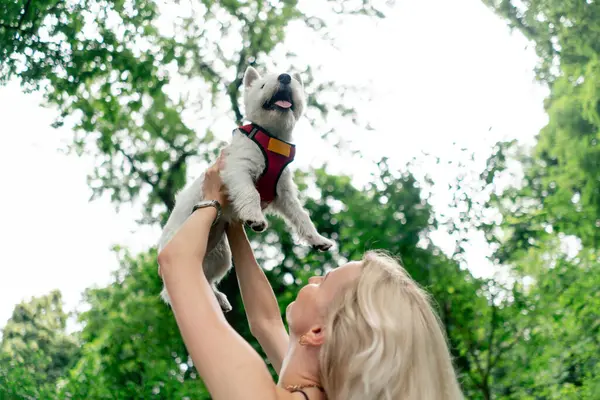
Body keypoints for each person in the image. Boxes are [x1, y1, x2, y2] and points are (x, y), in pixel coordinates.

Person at [157, 154, 464, 400]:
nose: (314, 279)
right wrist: (232, 221)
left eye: (325, 281)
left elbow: (175, 263)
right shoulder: (312, 390)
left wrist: (210, 200)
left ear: (318, 332)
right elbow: (265, 321)